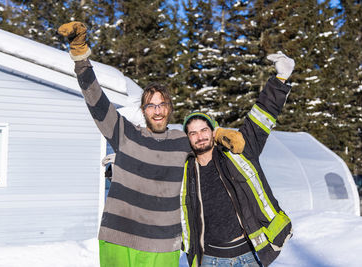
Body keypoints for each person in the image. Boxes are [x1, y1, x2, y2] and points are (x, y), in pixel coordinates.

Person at [57, 21, 245, 267]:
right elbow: (96, 100)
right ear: (144, 110)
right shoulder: (124, 133)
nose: (157, 111)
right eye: (151, 105)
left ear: (170, 108)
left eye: (162, 104)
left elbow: (204, 141)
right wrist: (81, 57)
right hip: (118, 237)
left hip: (163, 244)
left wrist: (219, 133)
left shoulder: (181, 141)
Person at [180, 52, 295, 267]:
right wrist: (123, 166)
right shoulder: (185, 171)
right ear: (187, 138)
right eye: (193, 133)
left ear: (213, 132)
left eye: (204, 130)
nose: (199, 136)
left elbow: (259, 119)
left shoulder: (236, 153)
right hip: (211, 260)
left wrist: (280, 80)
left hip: (249, 255)